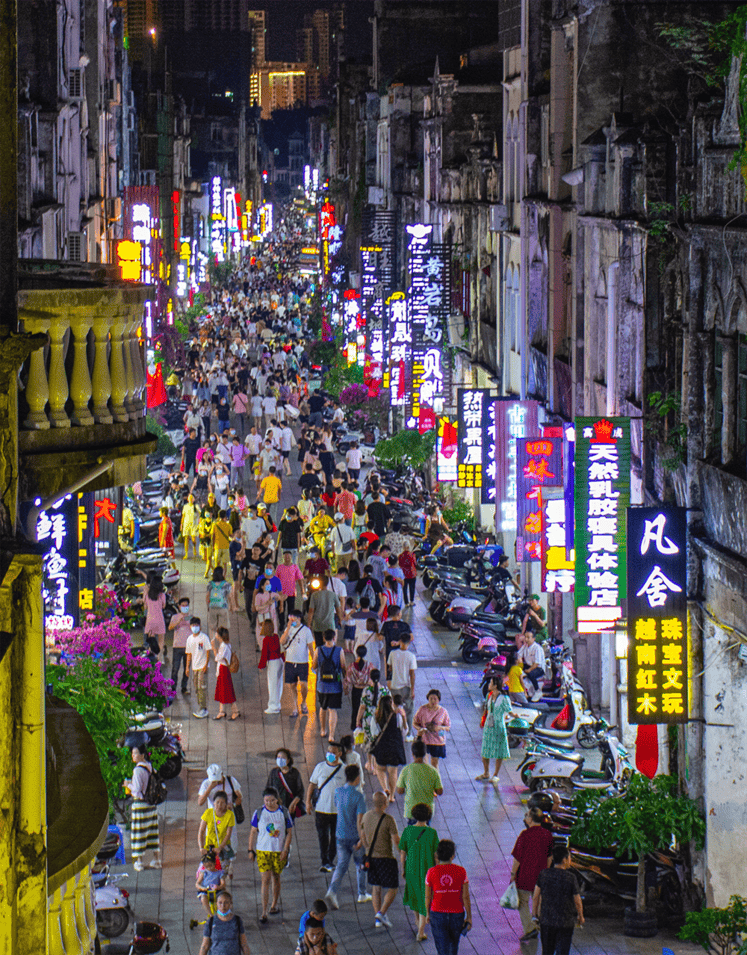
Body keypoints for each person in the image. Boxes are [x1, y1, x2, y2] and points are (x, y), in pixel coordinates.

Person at [324, 765, 369, 910]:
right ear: (357, 778)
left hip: (340, 834)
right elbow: (360, 821)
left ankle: (332, 891)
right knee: (361, 865)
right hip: (354, 837)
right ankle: (362, 893)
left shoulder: (338, 792)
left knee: (341, 865)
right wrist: (362, 840)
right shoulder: (358, 797)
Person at [248, 787, 293, 922]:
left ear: (277, 799)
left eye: (272, 800)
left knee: (276, 877)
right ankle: (263, 911)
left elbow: (289, 832)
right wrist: (250, 849)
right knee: (265, 880)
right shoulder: (259, 812)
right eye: (266, 800)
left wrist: (285, 849)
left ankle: (274, 904)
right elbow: (253, 832)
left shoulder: (283, 812)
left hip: (278, 851)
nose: (269, 803)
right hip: (263, 851)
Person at [510, 805, 554, 941]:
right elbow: (550, 857)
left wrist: (513, 874)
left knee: (522, 903)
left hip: (524, 875)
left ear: (532, 819)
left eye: (527, 815)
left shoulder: (525, 835)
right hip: (540, 876)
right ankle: (539, 924)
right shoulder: (547, 835)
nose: (525, 817)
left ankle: (530, 928)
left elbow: (518, 858)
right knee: (539, 901)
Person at [533, 845, 584, 955]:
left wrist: (535, 913)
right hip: (565, 923)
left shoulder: (544, 874)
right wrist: (580, 915)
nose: (570, 861)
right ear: (564, 859)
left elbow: (536, 896)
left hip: (546, 921)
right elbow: (577, 900)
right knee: (563, 952)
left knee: (547, 951)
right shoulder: (571, 877)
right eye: (570, 858)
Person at [359, 790, 400, 927]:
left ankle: (378, 920)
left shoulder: (366, 816)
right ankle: (381, 913)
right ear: (385, 803)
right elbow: (396, 841)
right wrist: (402, 854)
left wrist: (367, 848)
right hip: (386, 858)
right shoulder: (389, 820)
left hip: (372, 858)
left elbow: (363, 835)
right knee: (393, 888)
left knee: (376, 888)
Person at [400, 803, 440, 941]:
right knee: (425, 900)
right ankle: (421, 932)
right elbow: (436, 855)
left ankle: (417, 921)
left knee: (414, 895)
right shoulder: (432, 833)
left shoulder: (407, 831)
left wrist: (403, 868)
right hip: (427, 870)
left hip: (411, 868)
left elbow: (402, 852)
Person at [425, 840, 472, 955]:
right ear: (453, 855)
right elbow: (465, 896)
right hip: (457, 914)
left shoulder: (431, 872)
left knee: (441, 947)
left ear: (437, 855)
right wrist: (469, 917)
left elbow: (428, 896)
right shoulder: (461, 871)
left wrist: (427, 913)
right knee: (453, 945)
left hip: (437, 913)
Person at [306, 742, 344, 872]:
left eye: (333, 752)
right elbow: (312, 784)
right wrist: (308, 802)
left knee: (335, 836)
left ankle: (330, 859)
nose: (330, 754)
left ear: (340, 754)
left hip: (337, 811)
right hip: (321, 809)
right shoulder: (320, 767)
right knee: (322, 836)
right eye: (329, 751)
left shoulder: (344, 770)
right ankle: (324, 860)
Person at [125, 744, 162, 870]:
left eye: (135, 753)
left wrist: (127, 784)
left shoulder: (137, 770)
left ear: (142, 755)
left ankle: (139, 861)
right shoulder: (150, 767)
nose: (133, 755)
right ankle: (156, 859)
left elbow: (136, 790)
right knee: (152, 832)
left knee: (138, 833)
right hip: (151, 805)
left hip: (140, 805)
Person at [396, 738, 444, 825]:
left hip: (411, 810)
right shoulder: (433, 771)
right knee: (425, 835)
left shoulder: (406, 770)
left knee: (411, 836)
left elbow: (400, 790)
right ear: (425, 754)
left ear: (413, 754)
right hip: (427, 811)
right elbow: (439, 791)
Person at [370, 694, 406, 800]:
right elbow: (404, 731)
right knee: (393, 772)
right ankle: (392, 795)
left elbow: (374, 734)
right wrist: (403, 717)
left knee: (380, 769)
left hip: (382, 747)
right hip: (394, 747)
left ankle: (385, 788)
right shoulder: (397, 716)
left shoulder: (376, 717)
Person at [475, 676, 512, 780]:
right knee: (485, 750)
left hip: (499, 726)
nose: (489, 685)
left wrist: (515, 715)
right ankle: (486, 772)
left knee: (499, 751)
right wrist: (483, 720)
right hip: (489, 725)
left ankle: (495, 774)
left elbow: (509, 710)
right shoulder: (489, 696)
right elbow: (486, 709)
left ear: (495, 685)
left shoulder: (504, 698)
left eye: (491, 683)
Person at [312, 629, 346, 740]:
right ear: (334, 638)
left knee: (323, 707)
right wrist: (344, 681)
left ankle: (323, 730)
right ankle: (331, 735)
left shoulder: (318, 650)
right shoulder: (339, 650)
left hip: (322, 685)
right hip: (335, 685)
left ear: (324, 638)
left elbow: (314, 666)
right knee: (333, 709)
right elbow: (343, 666)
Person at [280, 608, 315, 716]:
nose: (291, 620)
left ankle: (303, 702)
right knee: (292, 685)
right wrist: (288, 628)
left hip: (302, 662)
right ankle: (294, 706)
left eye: (293, 618)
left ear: (299, 618)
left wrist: (314, 661)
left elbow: (310, 647)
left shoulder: (306, 631)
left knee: (304, 684)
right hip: (290, 661)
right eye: (290, 618)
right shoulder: (288, 629)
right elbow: (282, 641)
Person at [198, 890, 250, 955]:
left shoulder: (237, 920)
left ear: (230, 904)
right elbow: (204, 947)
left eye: (226, 903)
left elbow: (244, 945)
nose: (223, 906)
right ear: (216, 903)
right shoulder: (211, 922)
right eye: (220, 903)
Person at [356, 669, 390, 768]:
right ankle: (376, 766)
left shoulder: (366, 691)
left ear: (370, 677)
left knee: (369, 740)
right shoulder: (385, 690)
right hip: (381, 718)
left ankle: (369, 764)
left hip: (368, 719)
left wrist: (357, 719)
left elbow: (362, 707)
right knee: (378, 740)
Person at [198, 790, 236, 874]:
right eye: (217, 802)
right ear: (213, 803)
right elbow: (201, 831)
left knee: (222, 873)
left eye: (222, 803)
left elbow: (228, 834)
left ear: (226, 804)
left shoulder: (230, 815)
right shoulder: (208, 813)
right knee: (208, 872)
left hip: (222, 849)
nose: (219, 805)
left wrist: (220, 847)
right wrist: (201, 847)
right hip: (209, 849)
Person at [388, 632, 417, 739]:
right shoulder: (411, 656)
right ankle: (408, 733)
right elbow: (412, 675)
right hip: (406, 687)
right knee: (408, 710)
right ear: (409, 642)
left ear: (399, 641)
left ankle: (393, 731)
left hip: (394, 686)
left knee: (394, 709)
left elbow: (390, 668)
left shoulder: (392, 653)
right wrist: (412, 690)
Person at [413, 688, 451, 769]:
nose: (433, 701)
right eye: (431, 699)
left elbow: (448, 727)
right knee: (424, 762)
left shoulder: (443, 711)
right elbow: (415, 722)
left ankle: (435, 778)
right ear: (428, 699)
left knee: (435, 763)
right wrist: (420, 729)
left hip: (437, 740)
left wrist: (440, 728)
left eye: (435, 699)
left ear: (439, 700)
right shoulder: (422, 709)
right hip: (425, 739)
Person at [266, 748, 305, 817]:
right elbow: (268, 789)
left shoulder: (294, 773)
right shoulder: (274, 772)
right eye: (278, 757)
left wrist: (293, 804)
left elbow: (300, 791)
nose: (280, 760)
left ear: (288, 760)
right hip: (276, 808)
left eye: (283, 758)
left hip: (289, 808)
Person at [212, 626, 240, 720]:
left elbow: (218, 658)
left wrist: (214, 649)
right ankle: (221, 711)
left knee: (227, 691)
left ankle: (235, 711)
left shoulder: (223, 646)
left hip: (224, 670)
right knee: (222, 691)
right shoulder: (226, 644)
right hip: (223, 670)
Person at [186, 616, 211, 719]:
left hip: (202, 667)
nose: (195, 627)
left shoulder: (204, 637)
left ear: (200, 627)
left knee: (202, 687)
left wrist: (206, 665)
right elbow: (189, 654)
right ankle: (200, 706)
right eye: (193, 625)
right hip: (194, 667)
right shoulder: (189, 639)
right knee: (196, 687)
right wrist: (187, 667)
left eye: (196, 625)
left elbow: (208, 651)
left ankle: (203, 708)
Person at [307, 575, 341, 649]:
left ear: (319, 583)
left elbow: (311, 611)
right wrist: (340, 620)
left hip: (317, 625)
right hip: (330, 625)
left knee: (318, 646)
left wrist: (308, 624)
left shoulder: (314, 595)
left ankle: (319, 659)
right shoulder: (333, 595)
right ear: (328, 583)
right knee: (330, 646)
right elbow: (338, 610)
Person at [343, 645, 372, 732]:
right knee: (365, 708)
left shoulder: (351, 666)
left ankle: (355, 727)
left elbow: (347, 680)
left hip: (356, 691)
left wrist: (346, 690)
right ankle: (365, 725)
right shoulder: (369, 665)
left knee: (355, 709)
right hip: (366, 691)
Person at [258, 619, 284, 714]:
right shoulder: (276, 636)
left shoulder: (266, 640)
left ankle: (273, 706)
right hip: (280, 661)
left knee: (272, 685)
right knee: (278, 684)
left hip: (273, 663)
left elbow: (264, 654)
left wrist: (261, 666)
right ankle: (277, 704)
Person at [169, 595, 193, 694]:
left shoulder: (191, 617)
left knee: (186, 669)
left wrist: (189, 623)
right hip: (177, 646)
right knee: (175, 668)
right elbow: (170, 627)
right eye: (183, 605)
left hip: (188, 647)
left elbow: (195, 631)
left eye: (186, 605)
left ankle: (184, 687)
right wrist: (178, 621)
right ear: (179, 606)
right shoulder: (175, 617)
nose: (185, 607)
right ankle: (173, 687)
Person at [196, 848, 226, 916]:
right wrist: (202, 888)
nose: (209, 868)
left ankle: (223, 912)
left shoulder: (219, 873)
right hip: (206, 891)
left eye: (210, 866)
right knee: (203, 898)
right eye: (207, 867)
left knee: (223, 898)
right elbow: (197, 883)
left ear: (214, 863)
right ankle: (210, 915)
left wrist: (218, 887)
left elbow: (223, 884)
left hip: (217, 891)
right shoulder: (203, 872)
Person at [519, 628, 546, 701]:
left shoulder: (537, 648)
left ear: (533, 638)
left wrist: (528, 670)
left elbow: (537, 663)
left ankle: (537, 691)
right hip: (529, 666)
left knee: (531, 674)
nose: (526, 639)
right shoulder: (525, 646)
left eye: (528, 637)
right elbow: (519, 655)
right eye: (525, 637)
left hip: (538, 668)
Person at [143, 575, 167, 658]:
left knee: (152, 641)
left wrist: (145, 593)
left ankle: (150, 656)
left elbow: (145, 607)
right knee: (161, 641)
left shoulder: (148, 596)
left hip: (150, 620)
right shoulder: (162, 595)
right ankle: (158, 657)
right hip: (159, 619)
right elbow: (163, 606)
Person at [253, 577, 280, 651]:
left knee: (273, 633)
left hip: (272, 618)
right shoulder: (259, 596)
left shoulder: (272, 594)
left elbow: (280, 597)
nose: (269, 585)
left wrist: (278, 598)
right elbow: (257, 608)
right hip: (263, 618)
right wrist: (266, 604)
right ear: (262, 586)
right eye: (267, 584)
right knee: (262, 635)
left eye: (269, 584)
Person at [207, 565, 231, 632]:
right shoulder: (226, 584)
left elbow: (207, 596)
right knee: (224, 627)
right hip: (223, 607)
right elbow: (229, 596)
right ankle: (222, 641)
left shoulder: (210, 584)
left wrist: (208, 606)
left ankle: (212, 641)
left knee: (212, 627)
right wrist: (231, 606)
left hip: (212, 607)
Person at [398, 542, 418, 607]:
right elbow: (415, 564)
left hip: (404, 575)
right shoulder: (412, 555)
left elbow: (400, 564)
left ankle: (406, 603)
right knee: (412, 588)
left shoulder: (400, 555)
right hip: (412, 574)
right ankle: (412, 601)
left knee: (404, 589)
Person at [181, 492, 199, 558]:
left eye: (192, 498)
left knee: (194, 539)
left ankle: (194, 549)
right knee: (186, 539)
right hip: (186, 524)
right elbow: (183, 516)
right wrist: (181, 524)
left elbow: (200, 514)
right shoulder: (185, 506)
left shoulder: (196, 506)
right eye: (189, 497)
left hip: (194, 525)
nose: (191, 499)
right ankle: (186, 553)